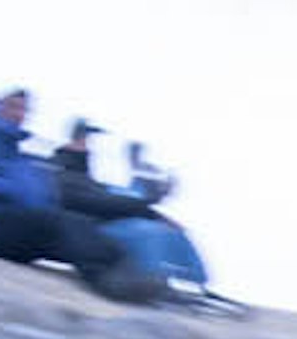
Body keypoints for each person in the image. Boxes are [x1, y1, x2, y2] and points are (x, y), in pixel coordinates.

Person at [0, 90, 158, 301]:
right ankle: (113, 285)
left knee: (81, 230)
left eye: (23, 110)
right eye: (13, 108)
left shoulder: (19, 153)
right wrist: (14, 189)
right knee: (65, 223)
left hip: (19, 229)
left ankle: (132, 277)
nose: (19, 114)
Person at [56, 119, 223, 304]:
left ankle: (192, 282)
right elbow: (90, 200)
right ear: (75, 139)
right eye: (85, 140)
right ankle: (156, 280)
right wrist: (145, 209)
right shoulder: (64, 167)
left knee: (172, 232)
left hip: (104, 217)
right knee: (148, 233)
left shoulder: (83, 171)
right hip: (92, 225)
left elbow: (104, 194)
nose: (89, 147)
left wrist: (149, 208)